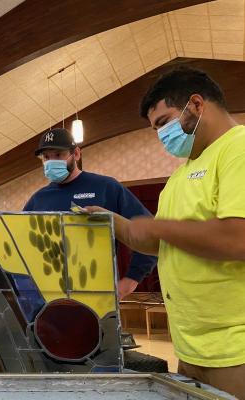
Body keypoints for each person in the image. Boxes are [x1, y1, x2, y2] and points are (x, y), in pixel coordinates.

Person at [87, 67, 245, 398]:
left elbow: (237, 239)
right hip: (189, 347)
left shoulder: (238, 149)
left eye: (163, 122)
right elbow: (160, 243)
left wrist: (158, 226)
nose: (161, 135)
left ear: (197, 105)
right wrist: (111, 220)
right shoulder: (179, 176)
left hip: (236, 349)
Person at [23, 128, 157, 299]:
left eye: (58, 154)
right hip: (48, 296)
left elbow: (148, 231)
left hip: (98, 294)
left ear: (76, 154)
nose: (51, 162)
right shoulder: (38, 199)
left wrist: (132, 279)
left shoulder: (106, 187)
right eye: (46, 157)